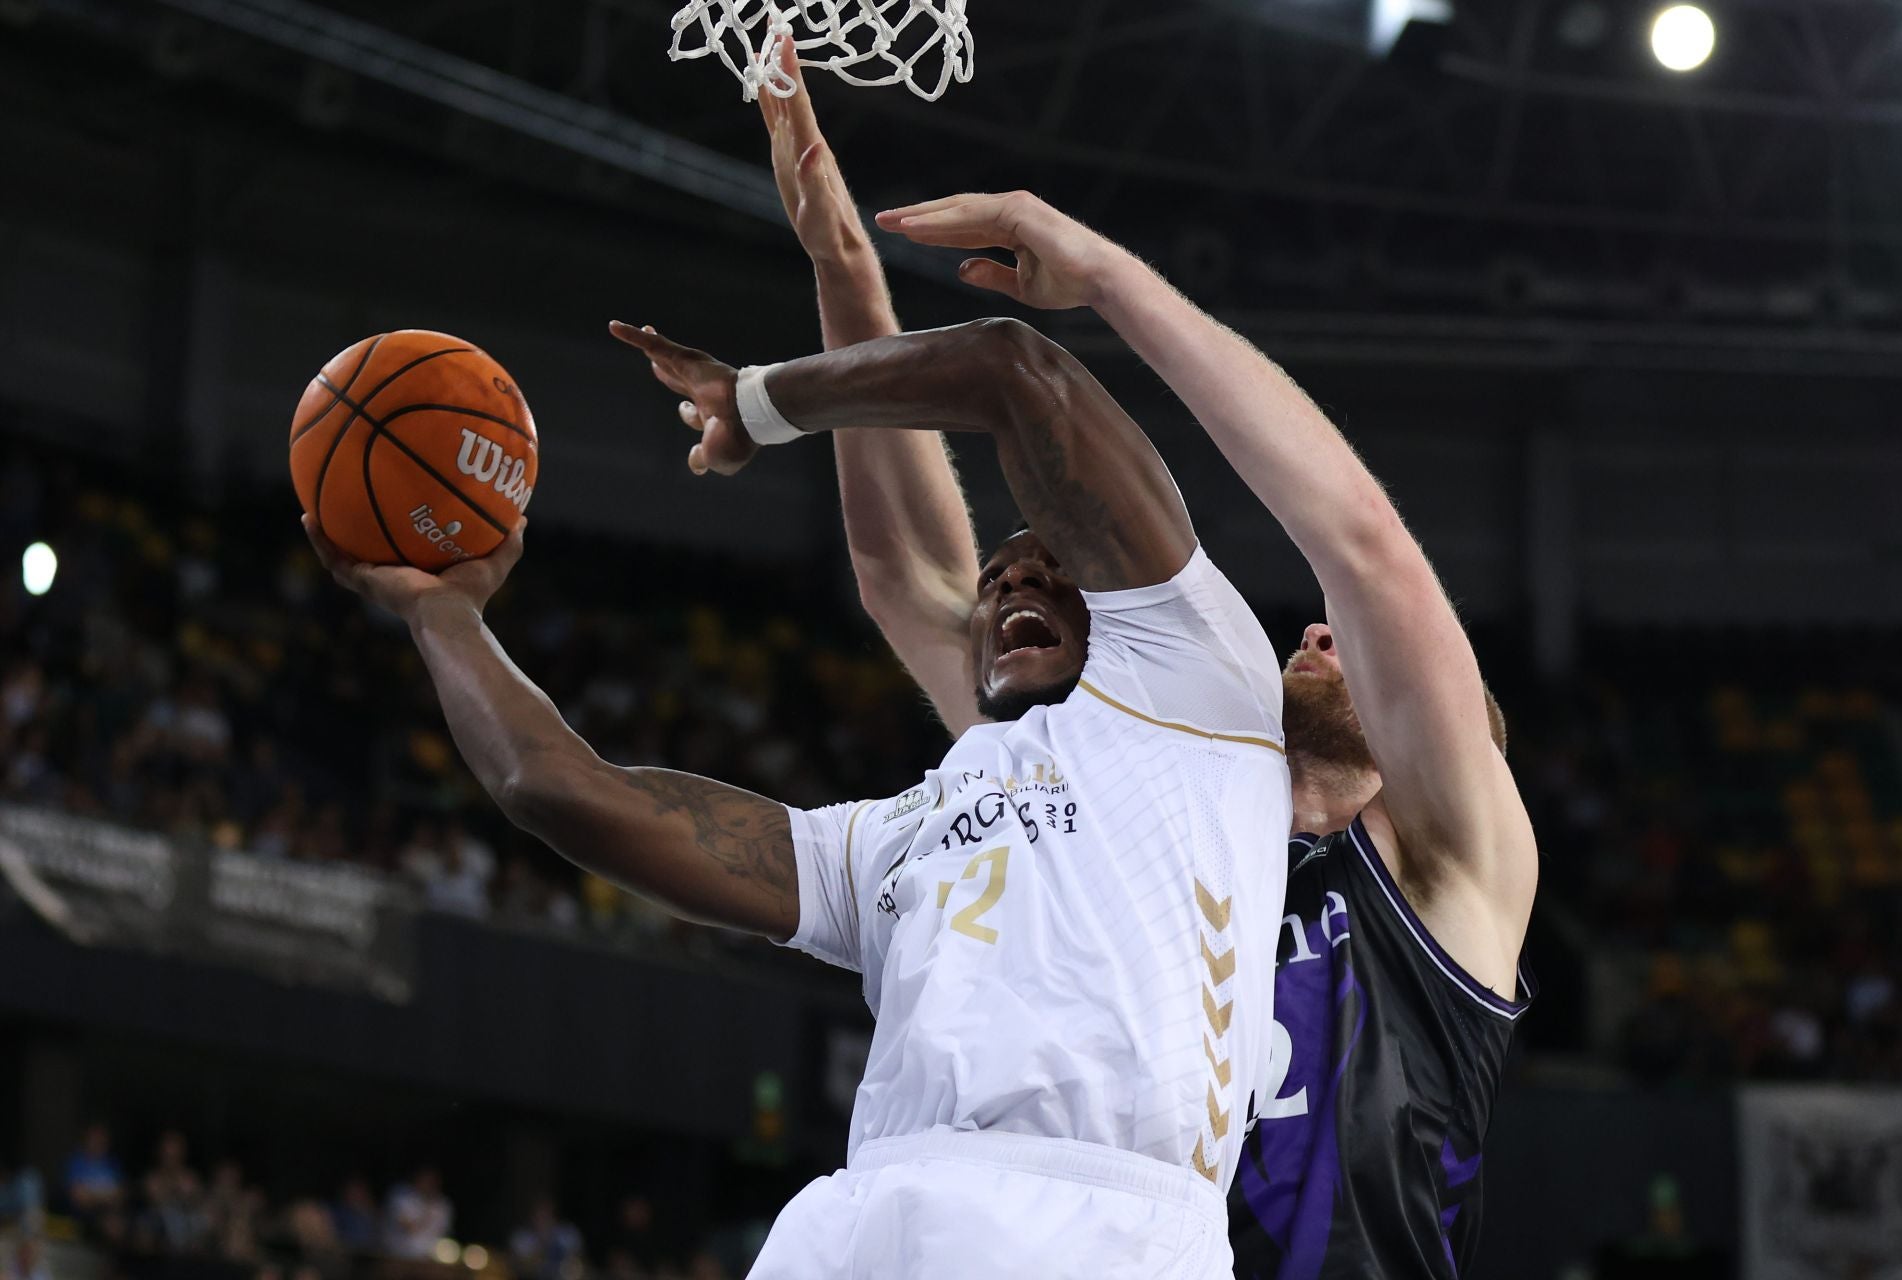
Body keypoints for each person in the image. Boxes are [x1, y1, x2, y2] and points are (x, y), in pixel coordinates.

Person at [303, 134, 1292, 1278]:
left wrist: (760, 400)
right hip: (860, 1214)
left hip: (1097, 1220)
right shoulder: (886, 844)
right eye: (996, 576)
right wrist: (441, 613)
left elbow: (1014, 372)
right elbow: (555, 788)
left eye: (1053, 562)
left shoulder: (1198, 684)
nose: (1017, 575)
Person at [748, 45, 1537, 1277]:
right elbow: (919, 585)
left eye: (1385, 658)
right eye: (1312, 627)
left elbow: (1364, 548)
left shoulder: (1455, 872)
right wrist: (844, 268)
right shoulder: (1140, 782)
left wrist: (1109, 278)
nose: (1320, 630)